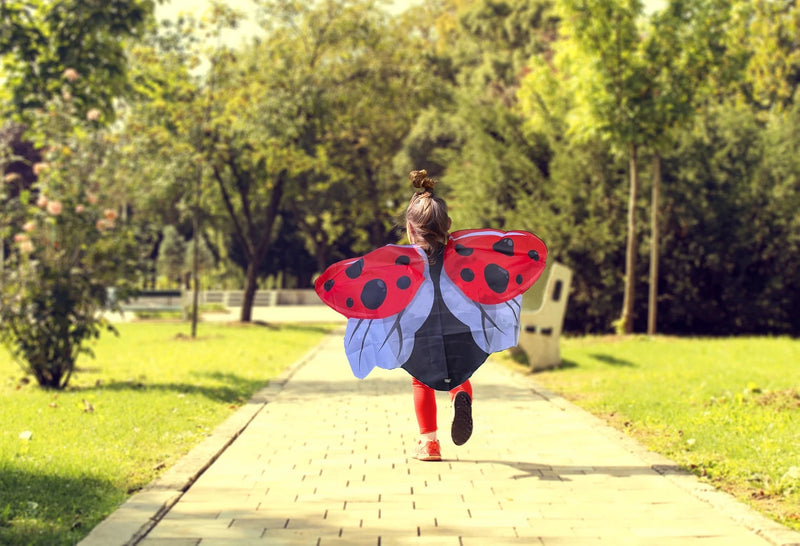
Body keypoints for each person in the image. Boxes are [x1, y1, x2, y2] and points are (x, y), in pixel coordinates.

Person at [404, 170, 473, 461]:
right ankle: (459, 393)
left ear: (410, 228)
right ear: (449, 226)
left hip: (422, 328)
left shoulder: (406, 262)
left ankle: (429, 443)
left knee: (421, 378)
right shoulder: (460, 254)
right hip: (458, 324)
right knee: (457, 368)